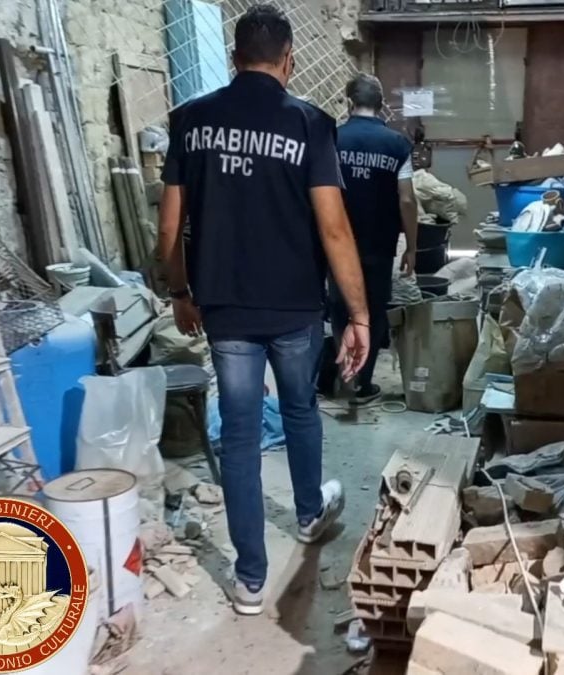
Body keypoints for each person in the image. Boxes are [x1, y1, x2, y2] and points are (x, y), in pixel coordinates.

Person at [157, 4, 370, 617]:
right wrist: (358, 314)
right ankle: (308, 515)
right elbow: (333, 227)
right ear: (289, 59)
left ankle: (249, 579)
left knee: (243, 434)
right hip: (295, 306)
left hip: (224, 305)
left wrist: (180, 291)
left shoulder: (191, 120)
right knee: (301, 406)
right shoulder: (308, 123)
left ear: (233, 58)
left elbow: (170, 223)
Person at [330, 73, 418, 404]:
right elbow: (407, 199)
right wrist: (411, 246)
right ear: (381, 106)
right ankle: (364, 383)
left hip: (338, 244)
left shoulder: (331, 140)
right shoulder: (397, 145)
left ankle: (345, 379)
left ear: (349, 102)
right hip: (380, 245)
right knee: (373, 310)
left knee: (341, 308)